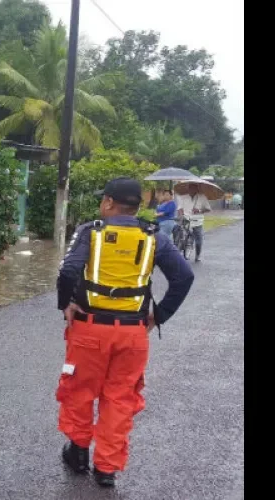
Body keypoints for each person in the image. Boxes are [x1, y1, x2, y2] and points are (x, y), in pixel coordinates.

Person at [56, 177, 194, 488]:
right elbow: (183, 277)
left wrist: (65, 304)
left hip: (89, 330)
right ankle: (106, 469)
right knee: (120, 399)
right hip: (133, 335)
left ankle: (78, 453)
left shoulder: (91, 232)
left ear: (107, 202)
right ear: (138, 206)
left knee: (79, 391)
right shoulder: (154, 235)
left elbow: (67, 271)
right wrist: (159, 316)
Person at [175, 183, 211, 262]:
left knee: (198, 240)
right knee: (177, 232)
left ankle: (197, 255)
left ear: (197, 189)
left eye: (193, 188)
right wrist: (181, 216)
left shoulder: (202, 197)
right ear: (188, 188)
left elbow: (208, 209)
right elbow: (180, 208)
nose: (191, 190)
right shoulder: (183, 197)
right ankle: (178, 249)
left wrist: (199, 210)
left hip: (197, 221)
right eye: (190, 188)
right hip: (186, 220)